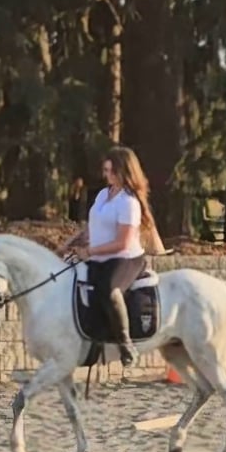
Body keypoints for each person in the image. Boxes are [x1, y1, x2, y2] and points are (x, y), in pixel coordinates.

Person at [57, 146, 165, 367]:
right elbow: (92, 228)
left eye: (110, 171)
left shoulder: (128, 202)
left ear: (123, 171)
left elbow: (122, 242)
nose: (106, 175)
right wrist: (69, 243)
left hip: (125, 259)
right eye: (105, 170)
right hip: (100, 257)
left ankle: (126, 345)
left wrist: (89, 252)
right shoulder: (103, 195)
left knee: (109, 289)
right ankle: (93, 339)